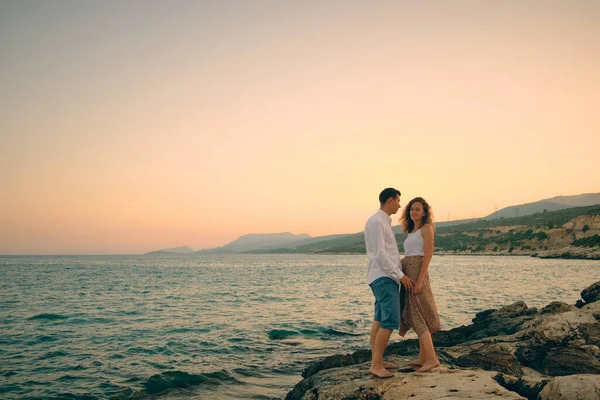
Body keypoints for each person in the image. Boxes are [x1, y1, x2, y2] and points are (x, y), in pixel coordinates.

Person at [364, 188, 415, 378]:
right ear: (390, 200)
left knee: (379, 319)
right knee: (390, 320)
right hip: (384, 278)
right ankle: (376, 365)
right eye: (398, 201)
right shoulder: (378, 222)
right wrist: (400, 275)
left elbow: (385, 254)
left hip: (382, 276)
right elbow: (379, 254)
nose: (400, 205)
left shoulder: (380, 221)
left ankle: (377, 360)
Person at [398, 197, 442, 373]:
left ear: (424, 212)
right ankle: (423, 357)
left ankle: (432, 359)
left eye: (417, 209)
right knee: (416, 312)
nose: (413, 212)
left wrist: (421, 280)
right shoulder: (412, 230)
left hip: (417, 273)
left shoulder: (427, 229)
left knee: (417, 313)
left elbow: (428, 255)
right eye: (411, 209)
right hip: (409, 271)